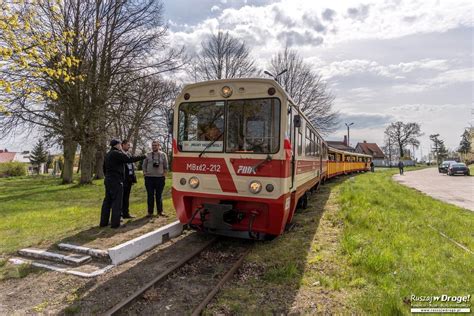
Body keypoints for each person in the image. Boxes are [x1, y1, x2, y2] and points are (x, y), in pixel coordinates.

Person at [100, 139, 146, 229]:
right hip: (116, 180)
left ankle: (103, 222)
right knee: (117, 202)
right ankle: (115, 224)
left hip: (108, 180)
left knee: (107, 201)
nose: (121, 146)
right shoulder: (117, 153)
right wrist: (144, 156)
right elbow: (129, 159)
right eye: (120, 144)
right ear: (117, 145)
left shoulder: (108, 154)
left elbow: (104, 168)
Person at [143, 140, 168, 217]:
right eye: (153, 145)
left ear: (158, 146)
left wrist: (164, 175)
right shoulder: (147, 154)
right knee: (150, 195)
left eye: (155, 145)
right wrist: (144, 173)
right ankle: (150, 212)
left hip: (160, 178)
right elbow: (144, 165)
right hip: (149, 178)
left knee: (159, 195)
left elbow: (166, 166)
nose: (154, 147)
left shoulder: (163, 155)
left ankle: (160, 211)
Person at [121, 139, 137, 219]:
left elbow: (131, 166)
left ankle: (126, 213)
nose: (129, 147)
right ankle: (120, 215)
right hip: (123, 179)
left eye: (129, 145)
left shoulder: (129, 154)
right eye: (128, 145)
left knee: (126, 197)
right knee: (121, 197)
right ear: (123, 145)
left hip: (130, 179)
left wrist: (133, 178)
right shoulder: (120, 154)